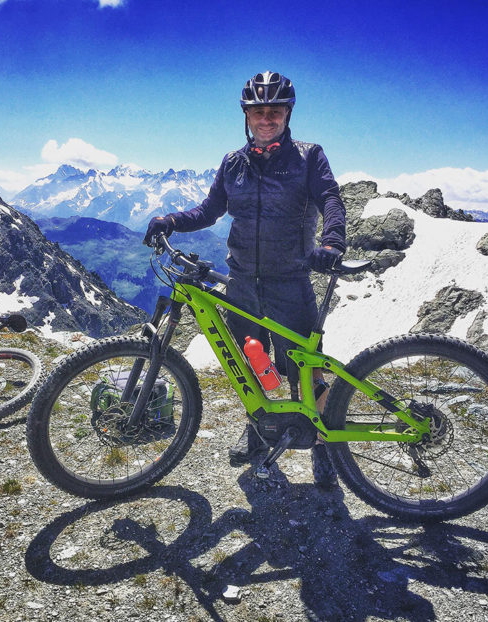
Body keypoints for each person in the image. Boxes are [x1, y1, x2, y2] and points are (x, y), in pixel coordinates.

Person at [144, 71, 347, 489]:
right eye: (259, 111)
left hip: (290, 279)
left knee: (305, 370)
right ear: (247, 115)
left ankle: (326, 444)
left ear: (288, 114)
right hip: (242, 282)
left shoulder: (309, 157)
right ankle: (258, 430)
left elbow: (330, 197)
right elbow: (209, 211)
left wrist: (332, 242)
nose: (266, 118)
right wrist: (171, 221)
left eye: (275, 110)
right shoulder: (233, 163)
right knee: (248, 362)